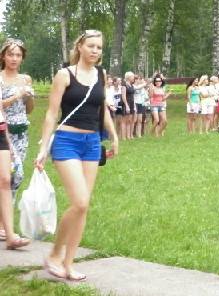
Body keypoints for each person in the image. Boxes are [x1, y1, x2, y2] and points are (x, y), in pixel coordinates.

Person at [34, 30, 119, 281]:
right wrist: (43, 147)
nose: (95, 51)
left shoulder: (101, 75)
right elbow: (51, 113)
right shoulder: (65, 75)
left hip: (91, 143)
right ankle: (54, 254)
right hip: (66, 141)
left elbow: (102, 109)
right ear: (80, 46)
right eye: (91, 46)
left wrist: (113, 135)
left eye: (99, 47)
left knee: (83, 208)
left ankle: (69, 264)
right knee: (80, 202)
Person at [0, 38, 34, 248]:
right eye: (10, 54)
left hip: (21, 132)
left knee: (16, 177)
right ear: (3, 56)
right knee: (8, 176)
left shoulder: (25, 79)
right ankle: (4, 226)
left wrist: (28, 96)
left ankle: (4, 224)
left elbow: (29, 109)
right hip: (5, 131)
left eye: (18, 55)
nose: (14, 58)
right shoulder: (0, 79)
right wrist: (16, 96)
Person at [122, 72, 136, 140]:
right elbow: (123, 97)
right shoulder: (124, 85)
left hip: (132, 103)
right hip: (126, 104)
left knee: (130, 120)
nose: (133, 78)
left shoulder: (131, 85)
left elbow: (139, 87)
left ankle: (129, 136)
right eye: (132, 76)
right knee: (125, 120)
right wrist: (127, 105)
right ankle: (124, 137)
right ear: (129, 77)